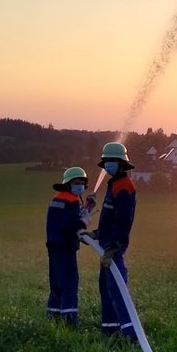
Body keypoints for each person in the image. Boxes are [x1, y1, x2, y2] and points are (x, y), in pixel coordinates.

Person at [95, 141, 138, 339]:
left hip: (113, 248)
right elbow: (109, 218)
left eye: (112, 161)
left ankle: (130, 334)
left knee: (117, 290)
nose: (108, 165)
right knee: (106, 289)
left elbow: (122, 220)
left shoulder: (125, 187)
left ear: (122, 163)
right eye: (107, 161)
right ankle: (110, 330)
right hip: (106, 245)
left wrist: (113, 247)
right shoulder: (114, 185)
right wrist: (97, 233)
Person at [46, 166, 91, 326]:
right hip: (65, 248)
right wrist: (84, 221)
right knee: (69, 283)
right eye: (76, 183)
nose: (80, 186)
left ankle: (53, 317)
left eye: (82, 183)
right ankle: (69, 320)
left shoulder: (57, 198)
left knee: (56, 283)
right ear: (68, 184)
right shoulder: (72, 201)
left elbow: (65, 218)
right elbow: (71, 225)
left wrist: (88, 207)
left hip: (54, 246)